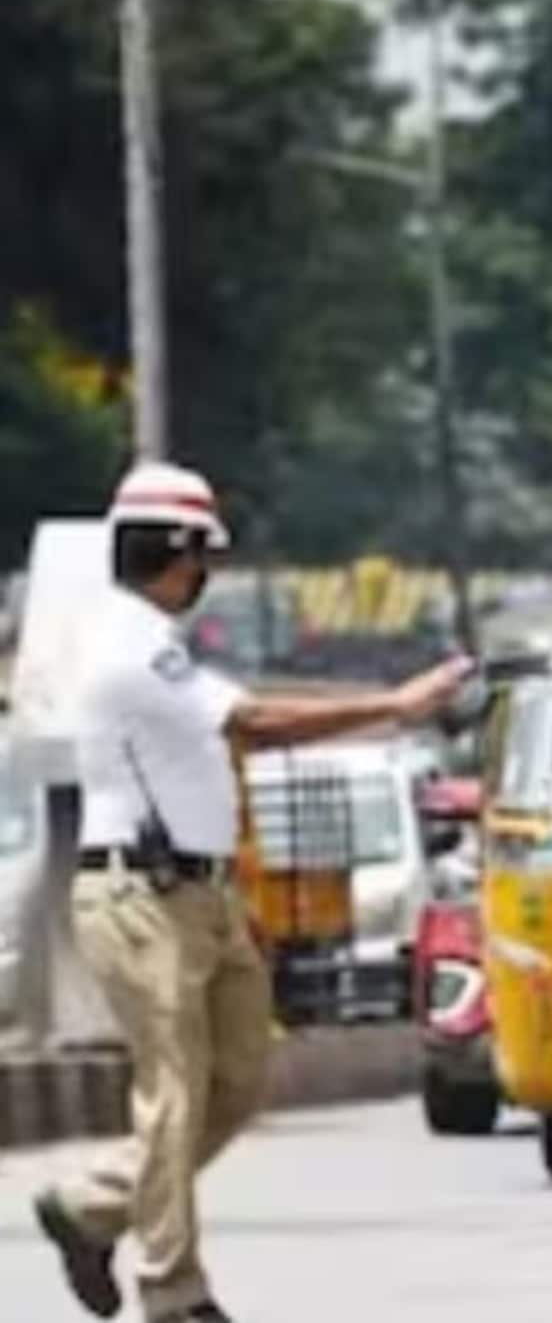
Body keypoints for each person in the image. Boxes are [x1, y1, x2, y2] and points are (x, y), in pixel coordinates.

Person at [33, 462, 472, 1323]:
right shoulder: (128, 641)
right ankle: (173, 1292)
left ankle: (90, 1206)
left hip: (199, 895)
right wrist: (398, 703)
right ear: (174, 551)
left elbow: (215, 755)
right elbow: (254, 723)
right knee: (174, 1090)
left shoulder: (152, 640)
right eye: (205, 557)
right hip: (139, 896)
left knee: (238, 1081)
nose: (209, 578)